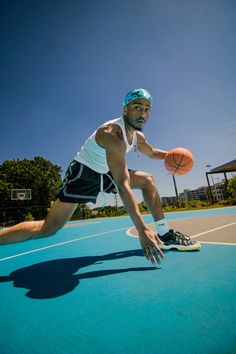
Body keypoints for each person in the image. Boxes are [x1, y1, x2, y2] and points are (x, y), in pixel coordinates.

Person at [0, 88, 200, 264]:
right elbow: (122, 184)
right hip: (84, 173)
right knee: (49, 228)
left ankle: (164, 234)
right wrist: (142, 229)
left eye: (147, 109)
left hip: (106, 172)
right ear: (125, 109)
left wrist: (174, 157)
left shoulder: (137, 136)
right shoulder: (113, 135)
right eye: (137, 107)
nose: (143, 113)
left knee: (148, 181)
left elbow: (152, 152)